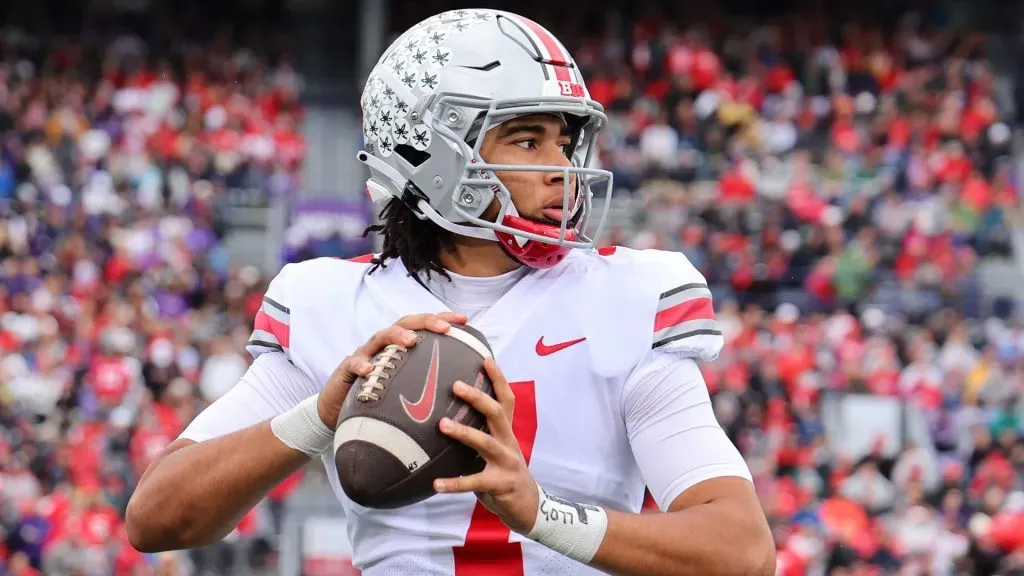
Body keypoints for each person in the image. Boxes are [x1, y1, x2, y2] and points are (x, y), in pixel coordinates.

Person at [125, 9, 774, 575]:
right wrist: (317, 418)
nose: (561, 169)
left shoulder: (630, 296)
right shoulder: (332, 303)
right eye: (527, 139)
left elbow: (741, 551)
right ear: (428, 156)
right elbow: (156, 519)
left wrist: (542, 515)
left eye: (565, 140)